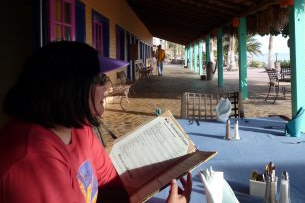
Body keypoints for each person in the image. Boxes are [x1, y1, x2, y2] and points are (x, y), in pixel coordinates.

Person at [0, 41, 191, 203]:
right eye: (99, 78)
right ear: (71, 87)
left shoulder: (78, 128)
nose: (107, 85)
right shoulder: (30, 160)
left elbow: (113, 183)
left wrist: (163, 173)